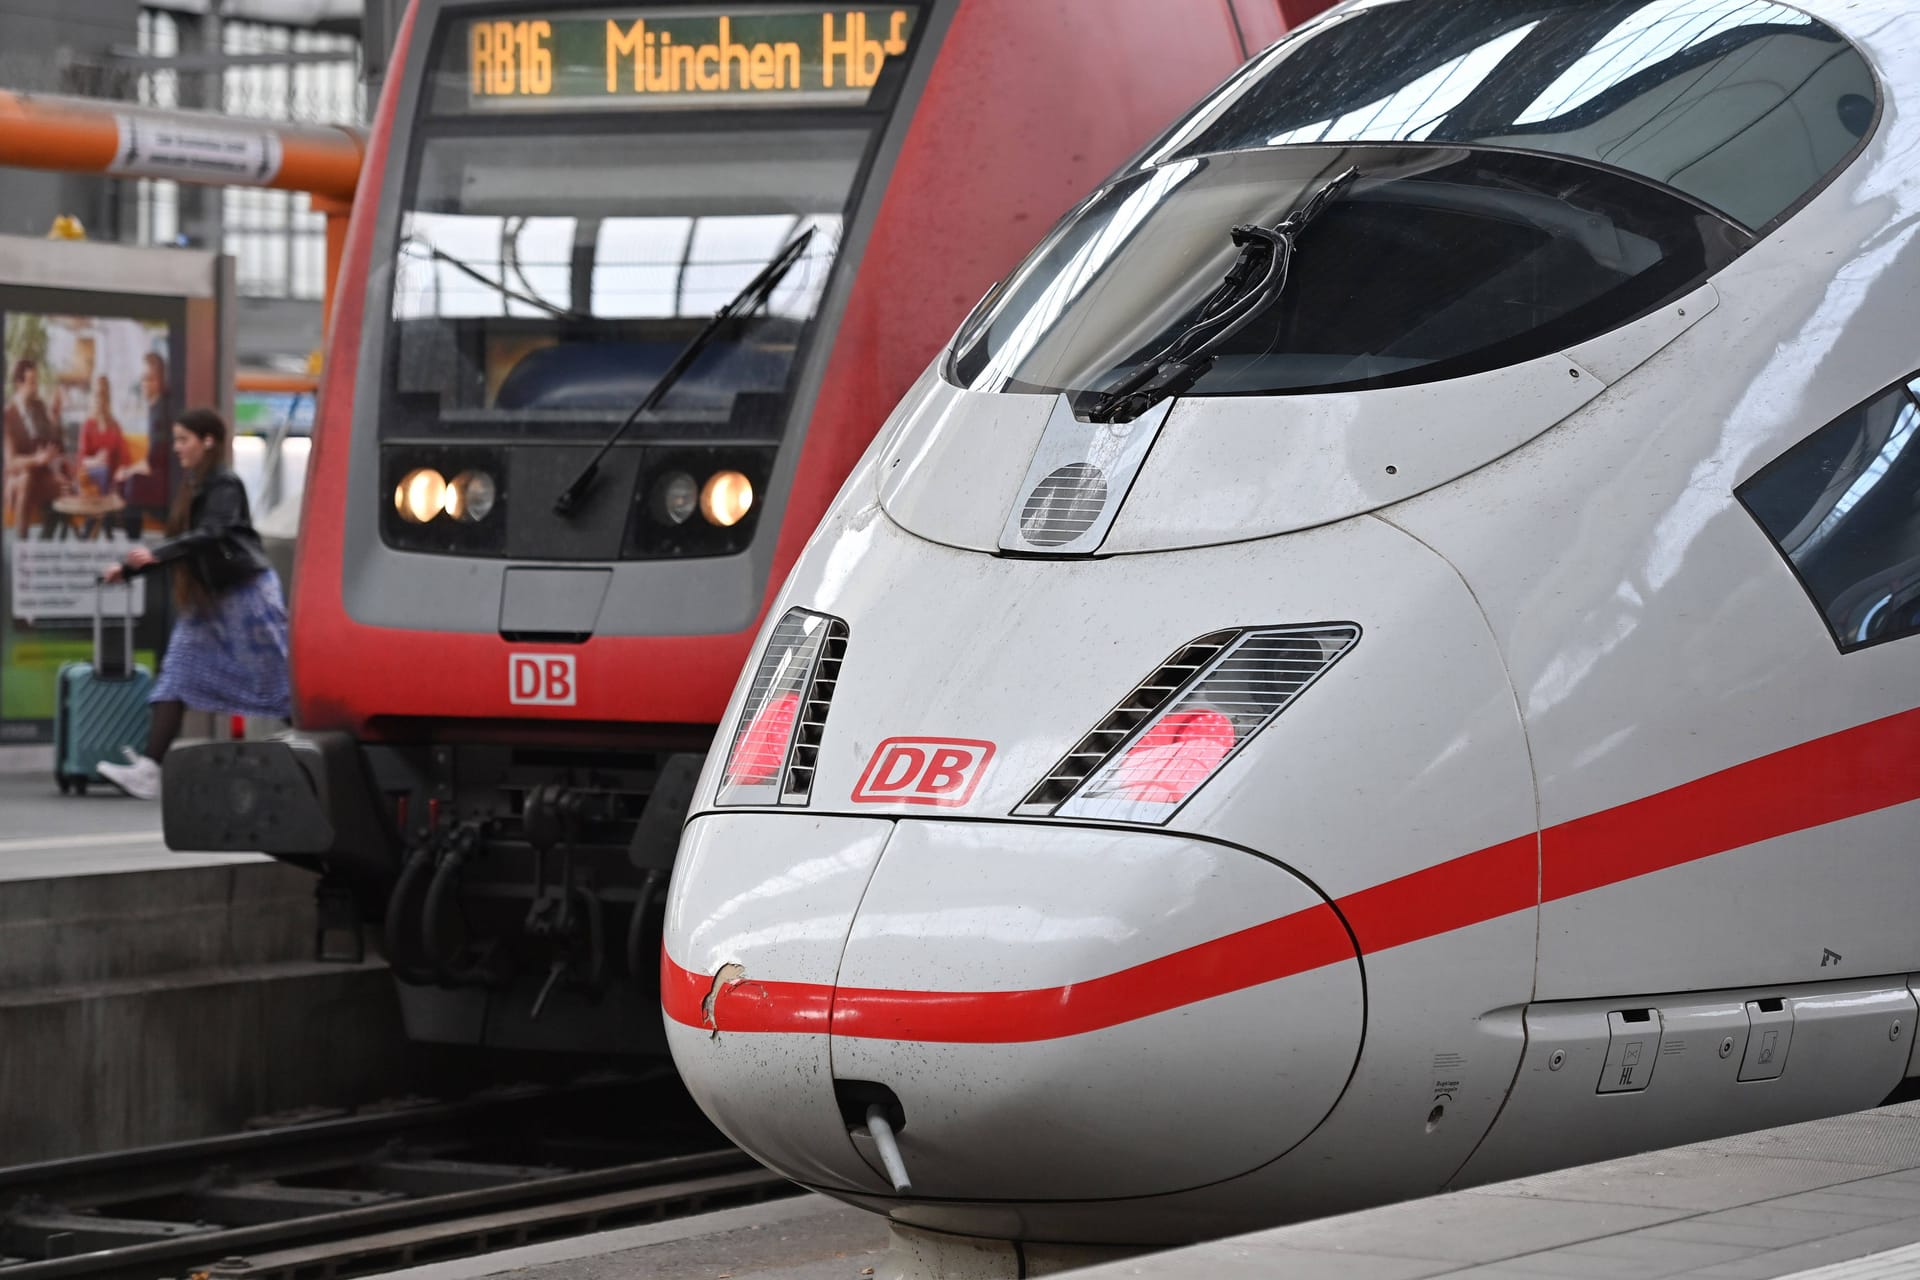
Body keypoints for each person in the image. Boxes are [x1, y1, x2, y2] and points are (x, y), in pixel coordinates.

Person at [98, 408, 289, 801]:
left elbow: (213, 533)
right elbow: (188, 546)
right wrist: (128, 570)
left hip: (244, 593)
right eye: (176, 439)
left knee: (276, 679)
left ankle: (327, 751)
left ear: (208, 441)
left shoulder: (224, 483)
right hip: (210, 598)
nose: (178, 448)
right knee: (177, 672)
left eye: (184, 439)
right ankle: (150, 769)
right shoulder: (196, 484)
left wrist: (156, 555)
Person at [3, 357, 69, 536]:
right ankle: (21, 544)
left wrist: (56, 417)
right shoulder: (8, 416)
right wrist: (36, 459)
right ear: (19, 384)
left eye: (36, 382)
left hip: (41, 474)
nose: (36, 387)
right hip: (18, 478)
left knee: (63, 488)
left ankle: (44, 545)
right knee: (26, 478)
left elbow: (54, 443)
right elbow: (11, 463)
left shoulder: (39, 407)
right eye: (32, 382)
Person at [119, 352, 170, 537]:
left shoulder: (162, 411)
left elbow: (154, 460)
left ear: (160, 381)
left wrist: (129, 471)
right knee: (124, 481)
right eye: (143, 379)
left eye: (149, 379)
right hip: (160, 474)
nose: (144, 385)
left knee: (130, 483)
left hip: (167, 480)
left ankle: (133, 544)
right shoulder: (156, 407)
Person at [79, 374, 129, 495]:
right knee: (103, 471)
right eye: (96, 394)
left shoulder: (115, 426)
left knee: (108, 472)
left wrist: (122, 470)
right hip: (90, 472)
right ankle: (104, 509)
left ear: (108, 397)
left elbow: (123, 456)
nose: (99, 399)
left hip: (111, 474)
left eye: (103, 394)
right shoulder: (88, 425)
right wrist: (96, 460)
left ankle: (105, 509)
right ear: (92, 396)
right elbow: (81, 459)